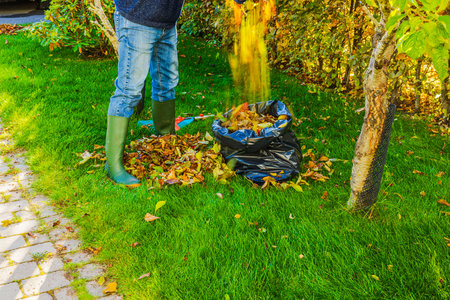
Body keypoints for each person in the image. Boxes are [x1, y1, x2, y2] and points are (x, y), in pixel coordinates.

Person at [105, 0, 185, 187]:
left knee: (167, 83)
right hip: (137, 19)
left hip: (167, 23)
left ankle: (165, 142)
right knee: (129, 90)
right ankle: (113, 165)